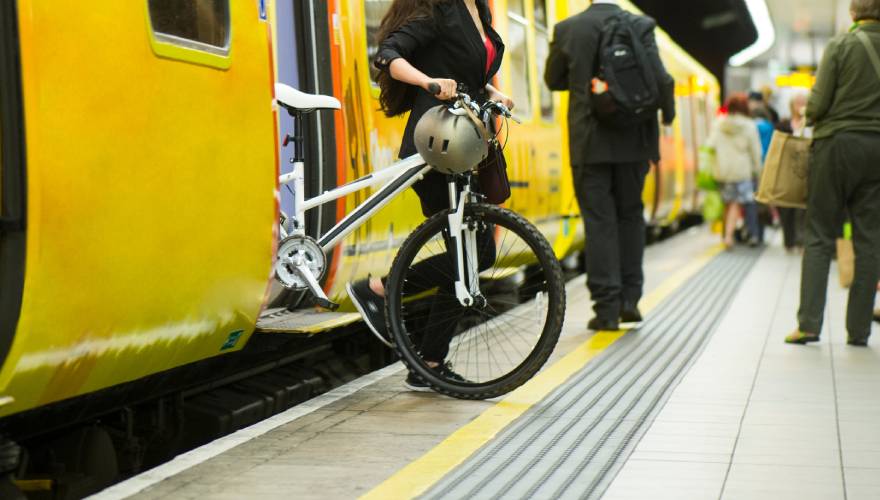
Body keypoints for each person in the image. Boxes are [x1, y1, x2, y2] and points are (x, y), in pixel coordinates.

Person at [346, 0, 514, 389]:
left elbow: (466, 70)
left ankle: (430, 363)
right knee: (474, 256)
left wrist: (492, 91)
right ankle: (379, 290)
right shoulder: (441, 9)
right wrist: (428, 83)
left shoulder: (479, 12)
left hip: (466, 146)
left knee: (471, 257)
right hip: (437, 145)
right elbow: (388, 56)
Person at [544, 0, 675, 332]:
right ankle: (631, 300)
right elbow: (663, 81)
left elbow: (553, 79)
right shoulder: (640, 25)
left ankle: (606, 308)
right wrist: (668, 118)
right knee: (631, 215)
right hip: (635, 141)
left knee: (599, 222)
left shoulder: (569, 29)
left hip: (590, 144)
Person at [785, 0, 880, 347]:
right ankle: (859, 331)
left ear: (854, 13)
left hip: (837, 146)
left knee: (820, 233)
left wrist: (809, 114)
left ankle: (809, 324)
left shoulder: (841, 45)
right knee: (870, 240)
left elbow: (819, 103)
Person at [706, 94, 763, 249]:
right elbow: (755, 151)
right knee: (736, 204)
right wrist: (758, 171)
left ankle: (725, 234)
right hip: (741, 171)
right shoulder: (749, 125)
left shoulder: (718, 124)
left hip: (722, 170)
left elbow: (710, 145)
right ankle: (729, 237)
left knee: (727, 203)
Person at [777, 93, 810, 253]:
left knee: (803, 207)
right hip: (786, 170)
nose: (800, 106)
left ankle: (801, 240)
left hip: (805, 171)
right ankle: (789, 241)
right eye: (798, 103)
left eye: (803, 102)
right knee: (786, 207)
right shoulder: (783, 124)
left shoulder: (811, 125)